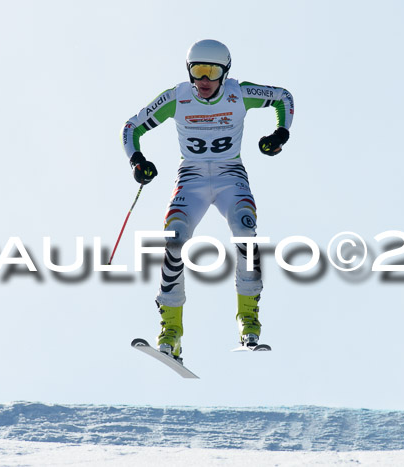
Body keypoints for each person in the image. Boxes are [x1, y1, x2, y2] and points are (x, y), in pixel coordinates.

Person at [121, 39, 294, 360]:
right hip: (192, 177)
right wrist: (137, 161)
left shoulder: (239, 93)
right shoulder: (177, 97)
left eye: (211, 72)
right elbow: (131, 128)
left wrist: (280, 134)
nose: (203, 80)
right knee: (173, 241)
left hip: (231, 176)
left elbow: (283, 97)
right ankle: (170, 330)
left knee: (246, 236)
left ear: (225, 73)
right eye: (197, 70)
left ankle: (249, 321)